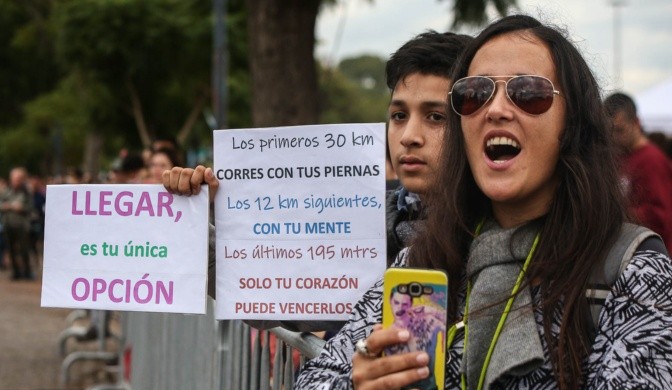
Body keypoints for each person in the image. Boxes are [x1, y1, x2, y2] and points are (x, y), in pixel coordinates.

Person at [293, 14, 672, 390]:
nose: (495, 108)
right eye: (473, 94)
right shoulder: (425, 258)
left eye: (527, 93)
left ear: (573, 124)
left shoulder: (630, 268)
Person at [162, 32, 471, 333]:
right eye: (399, 115)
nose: (408, 137)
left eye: (436, 117)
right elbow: (270, 302)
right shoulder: (368, 223)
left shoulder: (494, 233)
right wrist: (196, 217)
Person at [604, 92, 672, 253]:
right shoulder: (620, 156)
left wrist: (614, 212)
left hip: (653, 254)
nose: (614, 137)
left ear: (636, 123)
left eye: (620, 130)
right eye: (610, 131)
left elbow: (661, 216)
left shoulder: (651, 160)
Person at [0, 167, 35, 280]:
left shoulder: (26, 193)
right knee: (11, 249)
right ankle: (15, 271)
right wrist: (7, 206)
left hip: (22, 225)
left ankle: (27, 271)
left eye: (19, 179)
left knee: (24, 249)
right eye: (15, 179)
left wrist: (21, 207)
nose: (16, 181)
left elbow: (30, 207)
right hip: (8, 224)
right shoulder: (5, 192)